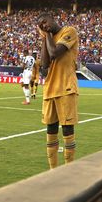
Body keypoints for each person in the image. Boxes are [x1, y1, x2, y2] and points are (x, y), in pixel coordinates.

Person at [38, 12, 79, 169]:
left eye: (45, 22)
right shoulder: (48, 39)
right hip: (50, 89)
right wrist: (44, 38)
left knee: (67, 129)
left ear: (52, 18)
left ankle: (68, 169)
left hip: (66, 87)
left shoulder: (69, 31)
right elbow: (44, 64)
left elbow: (55, 53)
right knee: (51, 129)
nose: (44, 25)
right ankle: (53, 171)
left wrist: (47, 34)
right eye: (41, 25)